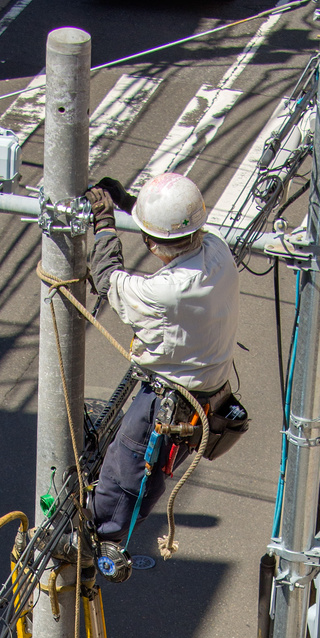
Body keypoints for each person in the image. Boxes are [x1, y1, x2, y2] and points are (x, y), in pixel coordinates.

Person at [85, 171, 240, 545]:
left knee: (128, 478)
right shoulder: (217, 249)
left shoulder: (167, 291)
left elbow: (106, 278)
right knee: (137, 465)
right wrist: (126, 202)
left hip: (167, 403)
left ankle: (97, 531)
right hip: (206, 393)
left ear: (154, 245)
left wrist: (105, 223)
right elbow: (172, 225)